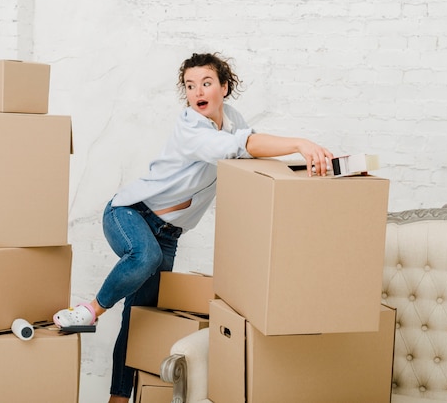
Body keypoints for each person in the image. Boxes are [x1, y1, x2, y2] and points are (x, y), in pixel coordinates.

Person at [53, 52, 333, 402]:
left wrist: (303, 166)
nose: (197, 91)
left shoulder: (232, 120)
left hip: (169, 234)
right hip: (130, 213)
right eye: (189, 85)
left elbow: (253, 150)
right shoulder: (190, 126)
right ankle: (90, 310)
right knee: (145, 256)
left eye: (206, 83)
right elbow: (238, 149)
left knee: (137, 320)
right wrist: (300, 143)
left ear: (223, 87)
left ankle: (117, 399)